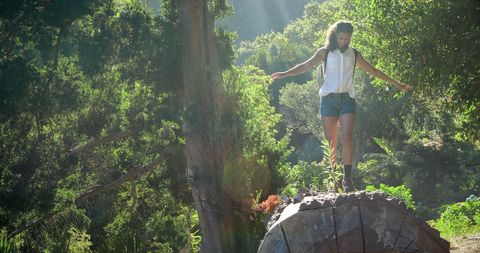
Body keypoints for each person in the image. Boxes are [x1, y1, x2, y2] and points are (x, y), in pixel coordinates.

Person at [270, 21, 413, 192]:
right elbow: (305, 66)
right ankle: (334, 179)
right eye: (341, 38)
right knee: (331, 142)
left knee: (347, 136)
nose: (345, 41)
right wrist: (284, 74)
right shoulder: (324, 53)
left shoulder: (355, 54)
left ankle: (347, 179)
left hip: (347, 100)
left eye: (348, 38)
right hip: (328, 100)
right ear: (334, 36)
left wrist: (397, 84)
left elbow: (374, 71)